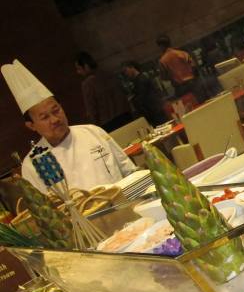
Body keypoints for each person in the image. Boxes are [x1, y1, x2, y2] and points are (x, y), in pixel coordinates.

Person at [2, 59, 137, 193]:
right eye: (45, 117)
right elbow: (51, 210)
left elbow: (130, 172)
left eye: (56, 110)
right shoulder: (33, 164)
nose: (55, 119)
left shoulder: (93, 132)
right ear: (31, 126)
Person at [74, 52, 133, 132]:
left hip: (108, 124)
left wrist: (96, 127)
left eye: (79, 69)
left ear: (86, 66)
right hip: (126, 115)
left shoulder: (87, 84)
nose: (78, 72)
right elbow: (124, 93)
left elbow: (92, 108)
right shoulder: (109, 73)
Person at [156, 35, 205, 101]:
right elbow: (194, 66)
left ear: (161, 46)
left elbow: (164, 77)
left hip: (180, 88)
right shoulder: (182, 53)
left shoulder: (162, 61)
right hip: (193, 83)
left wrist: (171, 75)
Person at [121, 61, 167, 127]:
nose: (126, 73)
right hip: (154, 110)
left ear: (132, 68)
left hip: (154, 110)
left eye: (126, 70)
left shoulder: (140, 79)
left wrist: (133, 99)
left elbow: (141, 97)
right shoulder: (139, 79)